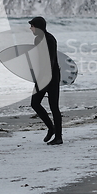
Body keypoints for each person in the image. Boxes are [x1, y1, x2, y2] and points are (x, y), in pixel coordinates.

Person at [28, 16, 62, 145]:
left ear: (38, 27)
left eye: (32, 26)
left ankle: (58, 137)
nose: (30, 28)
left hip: (52, 77)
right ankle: (51, 128)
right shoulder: (37, 40)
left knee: (54, 107)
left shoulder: (50, 39)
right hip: (42, 76)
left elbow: (51, 60)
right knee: (35, 103)